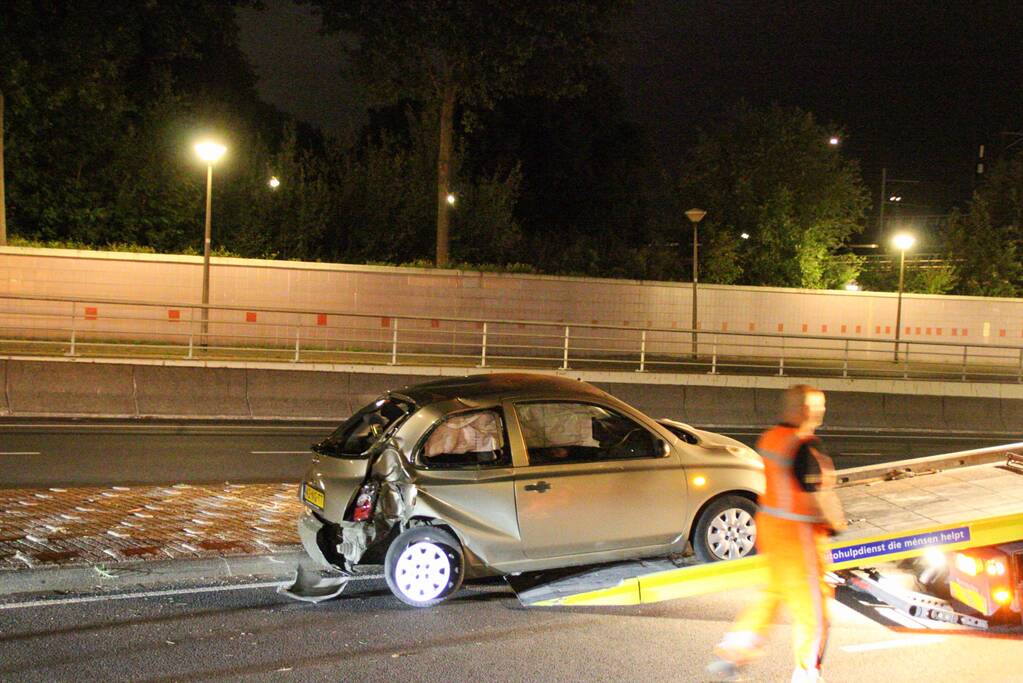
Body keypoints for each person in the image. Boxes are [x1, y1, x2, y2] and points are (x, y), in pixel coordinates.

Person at [707, 385, 846, 683]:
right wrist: (835, 523)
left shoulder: (771, 438)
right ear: (805, 410)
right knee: (814, 610)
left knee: (773, 593)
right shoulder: (804, 446)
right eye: (817, 406)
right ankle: (807, 674)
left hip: (772, 531)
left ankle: (734, 650)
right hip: (800, 537)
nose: (820, 412)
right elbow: (814, 496)